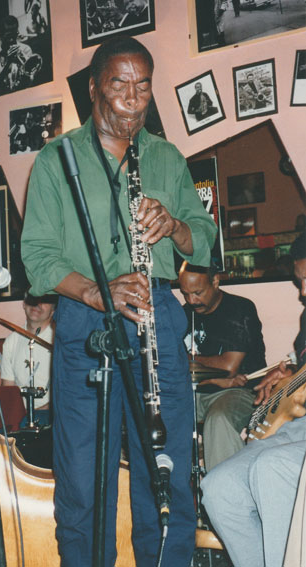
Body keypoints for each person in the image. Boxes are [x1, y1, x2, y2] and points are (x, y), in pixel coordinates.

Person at [21, 36, 217, 567]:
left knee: (168, 473)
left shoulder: (167, 156)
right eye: (118, 85)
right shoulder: (57, 159)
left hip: (156, 314)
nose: (132, 100)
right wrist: (93, 289)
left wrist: (174, 225)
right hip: (87, 321)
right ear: (93, 89)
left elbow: (205, 236)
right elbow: (36, 258)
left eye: (143, 87)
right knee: (84, 480)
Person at [201, 230, 306, 567]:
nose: (302, 293)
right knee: (218, 488)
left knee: (270, 469)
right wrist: (287, 374)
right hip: (295, 427)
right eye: (299, 281)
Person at [179, 262, 266, 471]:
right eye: (185, 294)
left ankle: (228, 497)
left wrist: (190, 360)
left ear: (215, 281)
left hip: (240, 392)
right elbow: (170, 362)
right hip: (195, 392)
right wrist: (214, 378)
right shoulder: (184, 314)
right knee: (156, 413)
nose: (192, 300)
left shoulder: (239, 309)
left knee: (219, 420)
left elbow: (228, 367)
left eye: (198, 292)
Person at [1, 294, 56, 426]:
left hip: (52, 412)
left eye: (45, 301)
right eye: (33, 298)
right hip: (20, 414)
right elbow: (8, 391)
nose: (37, 303)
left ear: (53, 310)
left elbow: (68, 391)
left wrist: (41, 410)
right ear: (24, 304)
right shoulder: (11, 341)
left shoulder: (60, 339)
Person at [0, 15, 33, 98]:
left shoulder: (25, 50)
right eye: (9, 37)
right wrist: (8, 64)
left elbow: (30, 81)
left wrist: (22, 66)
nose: (12, 40)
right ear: (1, 37)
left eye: (14, 36)